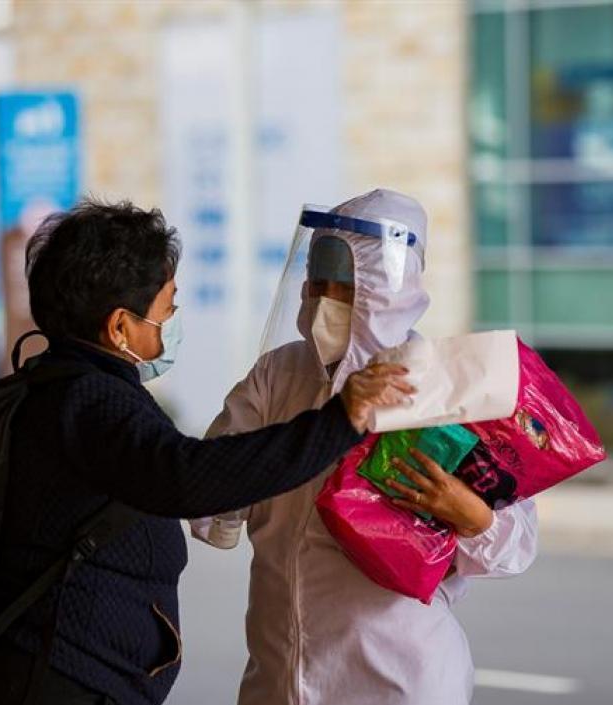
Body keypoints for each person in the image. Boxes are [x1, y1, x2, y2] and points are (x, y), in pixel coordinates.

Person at [0, 200, 414, 705]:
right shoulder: (89, 401)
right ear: (120, 327)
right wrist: (339, 422)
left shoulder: (54, 387)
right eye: (167, 306)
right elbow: (187, 477)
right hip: (50, 678)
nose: (171, 320)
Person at [192, 189, 538, 705]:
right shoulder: (278, 374)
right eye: (316, 281)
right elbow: (210, 491)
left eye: (343, 284)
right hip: (278, 677)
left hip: (400, 680)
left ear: (387, 291)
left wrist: (471, 516)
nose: (322, 297)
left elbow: (516, 547)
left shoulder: (444, 386)